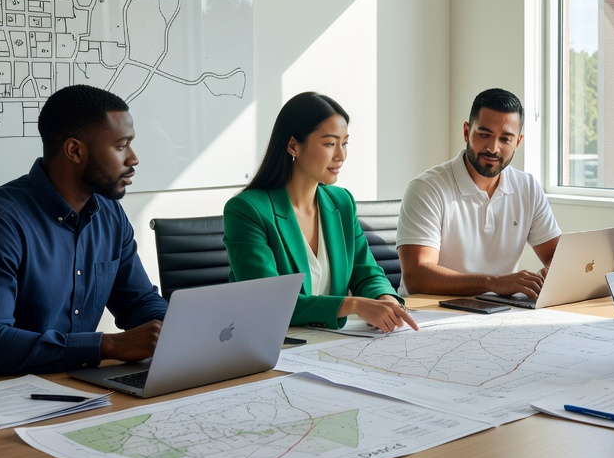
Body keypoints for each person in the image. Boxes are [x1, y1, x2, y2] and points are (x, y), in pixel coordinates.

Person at [0, 85, 167, 377]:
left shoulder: (109, 214)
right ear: (74, 151)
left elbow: (138, 302)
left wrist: (180, 330)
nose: (133, 158)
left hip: (69, 384)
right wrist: (106, 346)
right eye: (121, 146)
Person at [224, 92, 415, 332]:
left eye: (344, 143)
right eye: (329, 144)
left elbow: (366, 272)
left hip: (329, 344)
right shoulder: (248, 210)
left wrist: (384, 298)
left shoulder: (341, 202)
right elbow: (268, 303)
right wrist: (352, 304)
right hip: (275, 347)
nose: (341, 156)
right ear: (293, 145)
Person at [396, 88, 562, 297]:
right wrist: (493, 283)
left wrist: (553, 273)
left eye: (505, 139)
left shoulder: (527, 187)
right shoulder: (427, 188)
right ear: (466, 132)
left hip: (499, 313)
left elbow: (558, 257)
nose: (493, 148)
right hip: (430, 314)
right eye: (484, 135)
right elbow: (417, 277)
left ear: (518, 142)